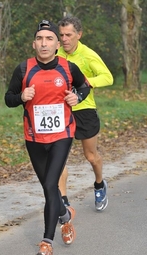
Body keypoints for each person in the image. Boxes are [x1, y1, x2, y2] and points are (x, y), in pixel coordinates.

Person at [4, 19, 91, 255]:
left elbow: (85, 87)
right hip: (33, 137)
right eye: (40, 39)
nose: (44, 43)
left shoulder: (68, 67)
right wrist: (21, 96)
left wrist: (77, 97)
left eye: (49, 39)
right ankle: (65, 216)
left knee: (51, 183)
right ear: (34, 44)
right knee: (48, 187)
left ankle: (46, 243)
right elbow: (8, 98)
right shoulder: (23, 69)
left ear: (56, 44)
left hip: (62, 135)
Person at [56, 16, 113, 211]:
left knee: (90, 156)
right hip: (61, 111)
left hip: (84, 110)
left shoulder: (88, 54)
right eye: (61, 35)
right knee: (59, 158)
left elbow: (108, 77)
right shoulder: (56, 54)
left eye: (69, 35)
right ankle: (63, 203)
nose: (64, 39)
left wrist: (87, 82)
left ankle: (99, 184)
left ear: (78, 35)